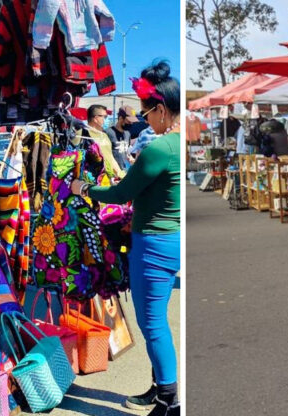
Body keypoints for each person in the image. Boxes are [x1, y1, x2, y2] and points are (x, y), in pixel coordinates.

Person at [71, 60, 181, 416]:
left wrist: (84, 186)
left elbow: (120, 193)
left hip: (153, 244)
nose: (143, 120)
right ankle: (159, 387)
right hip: (169, 239)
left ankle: (169, 400)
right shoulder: (180, 144)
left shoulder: (159, 149)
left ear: (162, 110)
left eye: (147, 113)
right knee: (157, 322)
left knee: (152, 324)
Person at [85, 104, 125, 179]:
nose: (107, 120)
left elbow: (110, 157)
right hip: (91, 178)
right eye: (105, 117)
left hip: (107, 178)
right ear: (96, 118)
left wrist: (120, 174)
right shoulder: (84, 135)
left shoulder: (104, 136)